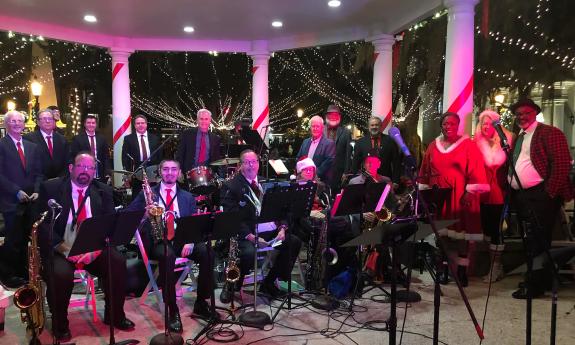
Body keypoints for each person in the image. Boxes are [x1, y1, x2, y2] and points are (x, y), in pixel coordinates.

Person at [37, 153, 134, 341]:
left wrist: (96, 250)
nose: (86, 172)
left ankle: (114, 315)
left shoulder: (103, 190)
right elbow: (41, 225)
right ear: (71, 168)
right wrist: (65, 250)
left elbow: (109, 225)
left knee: (116, 261)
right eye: (81, 166)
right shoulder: (52, 189)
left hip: (92, 248)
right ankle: (60, 324)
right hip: (61, 248)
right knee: (60, 274)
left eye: (90, 168)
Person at [125, 159, 212, 331]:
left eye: (174, 169)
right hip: (158, 240)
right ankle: (172, 310)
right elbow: (128, 215)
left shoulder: (188, 197)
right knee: (167, 254)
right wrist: (144, 213)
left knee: (207, 252)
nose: (170, 173)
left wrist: (190, 240)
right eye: (165, 169)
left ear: (179, 173)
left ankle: (201, 302)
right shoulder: (147, 194)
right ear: (159, 172)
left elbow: (194, 223)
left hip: (182, 239)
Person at [507, 99, 573, 299]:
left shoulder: (549, 132)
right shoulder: (521, 136)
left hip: (541, 195)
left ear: (535, 113)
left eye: (526, 113)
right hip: (523, 196)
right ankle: (535, 278)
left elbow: (562, 164)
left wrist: (549, 193)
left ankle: (535, 285)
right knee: (530, 240)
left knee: (538, 240)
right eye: (518, 114)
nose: (521, 117)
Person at [219, 150, 302, 302]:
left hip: (268, 230)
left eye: (254, 161)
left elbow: (282, 210)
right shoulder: (231, 186)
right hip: (246, 233)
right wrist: (252, 237)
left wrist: (283, 228)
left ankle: (269, 282)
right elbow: (232, 217)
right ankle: (232, 284)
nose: (251, 165)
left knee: (294, 242)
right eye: (247, 162)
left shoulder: (266, 183)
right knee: (249, 252)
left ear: (259, 163)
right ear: (240, 165)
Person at [419, 112, 489, 286]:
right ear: (441, 126)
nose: (448, 126)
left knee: (462, 236)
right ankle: (442, 269)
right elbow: (425, 170)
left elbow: (477, 170)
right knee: (442, 236)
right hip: (439, 196)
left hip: (460, 196)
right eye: (445, 124)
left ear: (457, 126)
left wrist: (470, 192)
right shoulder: (433, 146)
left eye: (452, 123)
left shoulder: (468, 145)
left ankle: (462, 271)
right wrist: (425, 192)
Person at [0, 111, 43, 288]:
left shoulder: (32, 146)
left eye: (20, 121)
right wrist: (16, 191)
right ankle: (9, 275)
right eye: (13, 121)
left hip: (31, 201)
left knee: (30, 239)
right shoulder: (1, 145)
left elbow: (39, 173)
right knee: (13, 240)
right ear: (6, 124)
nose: (18, 124)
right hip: (11, 201)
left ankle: (26, 272)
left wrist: (38, 190)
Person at [474, 110, 512, 283]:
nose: (486, 127)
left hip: (499, 192)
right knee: (487, 230)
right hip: (481, 193)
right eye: (483, 124)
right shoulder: (475, 143)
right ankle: (490, 265)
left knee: (497, 231)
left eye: (489, 124)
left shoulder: (508, 142)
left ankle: (496, 267)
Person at [121, 114, 163, 198]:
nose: (140, 125)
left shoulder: (155, 138)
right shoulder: (128, 139)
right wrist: (128, 174)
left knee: (153, 196)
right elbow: (125, 157)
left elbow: (160, 156)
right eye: (138, 123)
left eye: (142, 123)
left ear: (146, 124)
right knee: (137, 197)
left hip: (152, 171)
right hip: (136, 171)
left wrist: (159, 172)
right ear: (135, 125)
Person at [352, 116, 402, 184]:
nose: (374, 127)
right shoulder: (360, 142)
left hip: (385, 181)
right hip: (366, 182)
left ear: (381, 126)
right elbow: (355, 162)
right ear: (369, 127)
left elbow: (396, 163)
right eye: (372, 125)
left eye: (376, 125)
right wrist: (354, 179)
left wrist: (396, 181)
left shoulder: (390, 141)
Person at [24, 109, 69, 179]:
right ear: (38, 122)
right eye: (44, 119)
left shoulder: (62, 139)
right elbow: (29, 164)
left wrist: (60, 178)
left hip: (59, 181)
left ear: (54, 121)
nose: (47, 121)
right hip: (38, 182)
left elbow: (67, 161)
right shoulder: (29, 139)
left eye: (50, 119)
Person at [176, 108, 221, 176]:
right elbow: (180, 153)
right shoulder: (187, 134)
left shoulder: (215, 138)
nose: (204, 121)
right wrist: (178, 170)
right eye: (201, 119)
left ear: (210, 121)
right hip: (188, 173)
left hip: (207, 175)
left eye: (206, 119)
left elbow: (216, 159)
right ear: (197, 120)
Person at [69, 115, 111, 182]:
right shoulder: (77, 139)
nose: (91, 125)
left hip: (100, 173)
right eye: (88, 123)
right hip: (84, 172)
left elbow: (106, 156)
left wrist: (107, 172)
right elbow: (74, 156)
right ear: (85, 124)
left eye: (93, 123)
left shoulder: (102, 138)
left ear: (96, 124)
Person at [296, 115, 336, 183]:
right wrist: (300, 172)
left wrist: (312, 175)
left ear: (322, 128)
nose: (315, 128)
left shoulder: (329, 144)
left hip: (320, 182)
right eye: (313, 126)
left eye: (317, 126)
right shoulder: (305, 142)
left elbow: (327, 163)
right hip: (303, 180)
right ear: (310, 128)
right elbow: (298, 158)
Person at [324, 105, 352, 192]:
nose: (333, 117)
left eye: (336, 115)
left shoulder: (346, 133)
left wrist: (346, 173)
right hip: (322, 171)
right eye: (331, 115)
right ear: (326, 116)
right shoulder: (320, 130)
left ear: (339, 117)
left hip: (338, 173)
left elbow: (348, 154)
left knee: (336, 197)